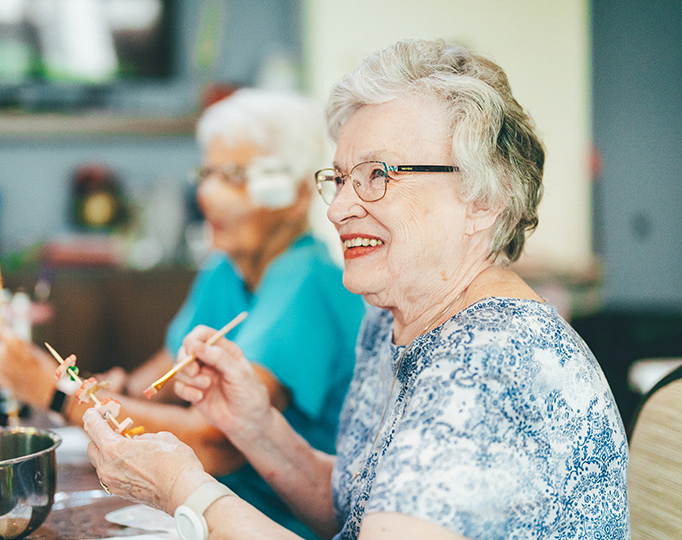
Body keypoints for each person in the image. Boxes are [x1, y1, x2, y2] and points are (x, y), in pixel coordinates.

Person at [82, 39, 630, 540]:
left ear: (484, 200)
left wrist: (184, 489)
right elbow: (356, 512)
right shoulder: (393, 320)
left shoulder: (489, 366)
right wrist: (256, 427)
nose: (340, 208)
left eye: (378, 175)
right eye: (340, 179)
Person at [0, 88, 365, 540]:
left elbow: (215, 443)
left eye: (234, 177)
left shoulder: (306, 282)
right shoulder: (226, 267)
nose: (207, 195)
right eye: (207, 173)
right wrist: (105, 391)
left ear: (296, 195)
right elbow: (153, 383)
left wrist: (55, 390)